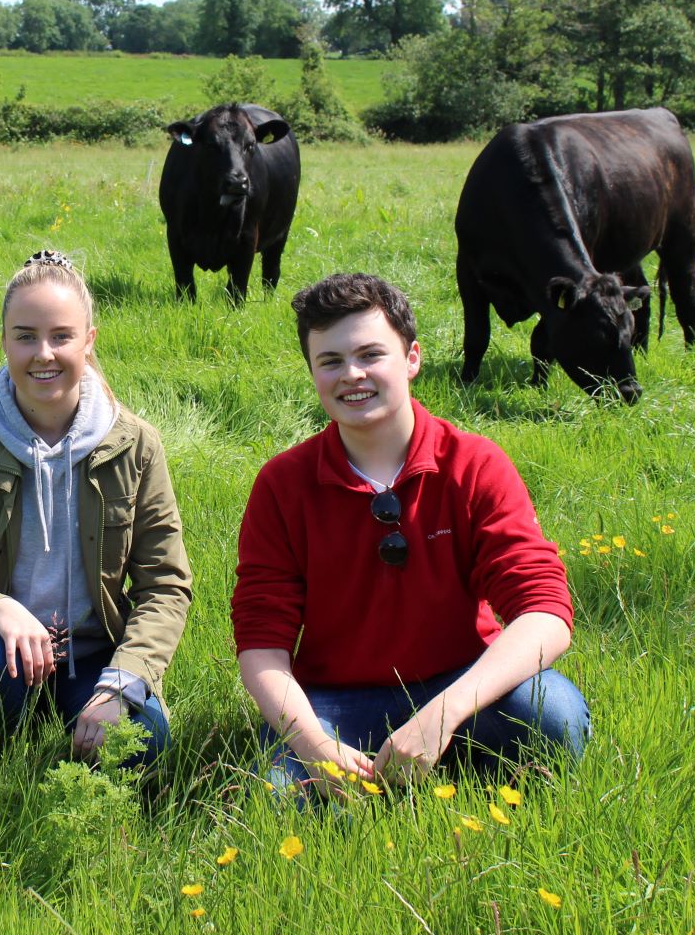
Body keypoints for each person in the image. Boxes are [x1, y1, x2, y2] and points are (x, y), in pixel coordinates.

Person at [232, 273, 589, 796]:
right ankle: (363, 769)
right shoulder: (283, 484)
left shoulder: (474, 464)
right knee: (281, 795)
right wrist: (313, 743)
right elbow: (261, 639)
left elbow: (544, 612)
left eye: (370, 354)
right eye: (330, 361)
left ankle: (444, 762)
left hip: (463, 686)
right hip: (333, 702)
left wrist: (444, 713)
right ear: (312, 372)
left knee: (554, 717)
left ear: (412, 358)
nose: (352, 375)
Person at [0, 250, 192, 763]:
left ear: (89, 340)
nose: (44, 354)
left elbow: (165, 586)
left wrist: (122, 684)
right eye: (26, 336)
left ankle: (84, 730)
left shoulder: (136, 446)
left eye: (61, 336)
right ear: (4, 342)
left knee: (143, 746)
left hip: (95, 652)